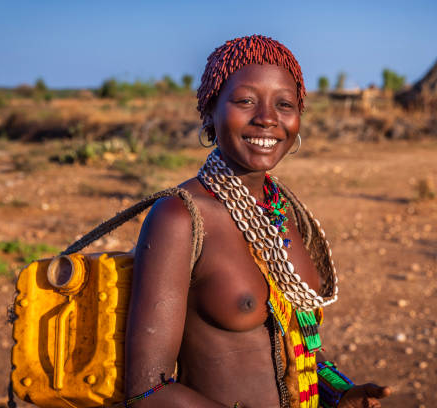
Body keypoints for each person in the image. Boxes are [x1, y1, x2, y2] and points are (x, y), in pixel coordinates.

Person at [125, 35, 391, 408]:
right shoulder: (180, 218)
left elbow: (300, 346)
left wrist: (338, 391)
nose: (267, 118)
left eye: (284, 104)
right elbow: (146, 392)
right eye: (246, 101)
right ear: (210, 111)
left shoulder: (282, 211)